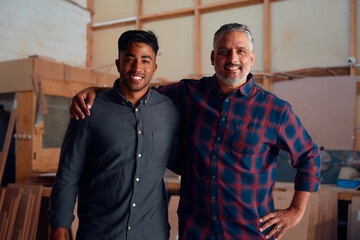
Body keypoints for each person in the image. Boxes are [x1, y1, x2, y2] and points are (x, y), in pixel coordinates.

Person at [70, 23, 322, 240]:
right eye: (224, 52)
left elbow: (310, 157)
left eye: (240, 51)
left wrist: (295, 212)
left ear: (251, 58)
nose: (232, 59)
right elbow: (138, 88)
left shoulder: (274, 110)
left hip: (249, 233)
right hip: (196, 231)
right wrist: (96, 90)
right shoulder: (188, 94)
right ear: (213, 58)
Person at [49, 30, 181, 240]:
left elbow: (182, 163)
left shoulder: (169, 112)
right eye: (130, 59)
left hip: (151, 233)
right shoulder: (89, 110)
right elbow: (68, 173)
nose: (138, 68)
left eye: (145, 61)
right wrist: (59, 226)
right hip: (99, 233)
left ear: (154, 67)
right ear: (118, 63)